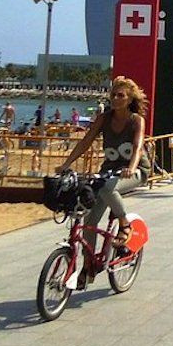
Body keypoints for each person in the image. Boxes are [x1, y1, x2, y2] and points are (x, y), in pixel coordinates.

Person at [55, 76, 147, 269]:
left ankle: (125, 224)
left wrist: (131, 167)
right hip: (109, 171)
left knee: (107, 189)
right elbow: (86, 141)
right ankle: (89, 266)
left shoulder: (136, 120)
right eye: (113, 95)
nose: (115, 98)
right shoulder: (104, 118)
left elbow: (138, 146)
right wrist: (66, 164)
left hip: (136, 170)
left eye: (120, 95)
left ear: (129, 99)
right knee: (89, 218)